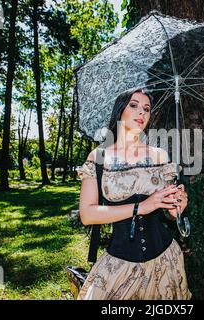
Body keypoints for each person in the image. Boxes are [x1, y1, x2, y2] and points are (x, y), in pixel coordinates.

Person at [76, 87, 192, 300]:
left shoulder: (159, 156)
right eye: (134, 105)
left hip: (165, 260)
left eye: (147, 109)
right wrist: (142, 207)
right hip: (119, 263)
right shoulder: (99, 157)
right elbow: (87, 214)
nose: (142, 112)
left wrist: (176, 208)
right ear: (120, 110)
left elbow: (169, 213)